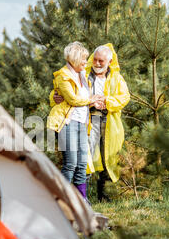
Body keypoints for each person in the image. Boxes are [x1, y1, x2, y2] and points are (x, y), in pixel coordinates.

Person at [52, 43, 130, 201]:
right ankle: (79, 196)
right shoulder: (82, 72)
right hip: (87, 119)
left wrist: (107, 101)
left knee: (108, 157)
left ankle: (105, 196)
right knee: (85, 158)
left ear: (109, 61)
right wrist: (53, 98)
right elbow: (60, 92)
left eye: (102, 61)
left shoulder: (116, 78)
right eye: (95, 60)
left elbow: (124, 97)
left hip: (109, 122)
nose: (97, 63)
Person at [46, 41, 104, 203]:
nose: (87, 62)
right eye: (84, 59)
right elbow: (72, 99)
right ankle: (61, 199)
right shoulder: (63, 76)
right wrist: (90, 100)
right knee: (70, 163)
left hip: (82, 123)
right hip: (68, 123)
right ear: (75, 59)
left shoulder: (83, 75)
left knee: (82, 163)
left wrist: (94, 101)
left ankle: (82, 199)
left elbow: (82, 98)